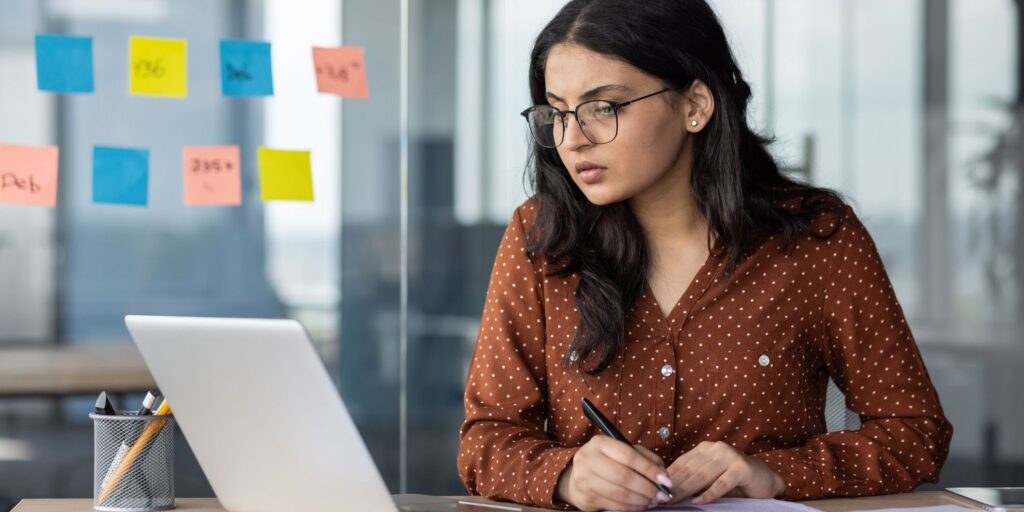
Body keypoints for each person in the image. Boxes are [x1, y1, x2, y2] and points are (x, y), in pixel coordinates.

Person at [456, 1, 953, 510]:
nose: (573, 139)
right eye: (557, 112)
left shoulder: (817, 241)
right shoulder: (540, 237)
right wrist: (567, 476)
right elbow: (485, 440)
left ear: (695, 104)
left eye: (603, 108)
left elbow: (915, 433)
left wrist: (774, 474)